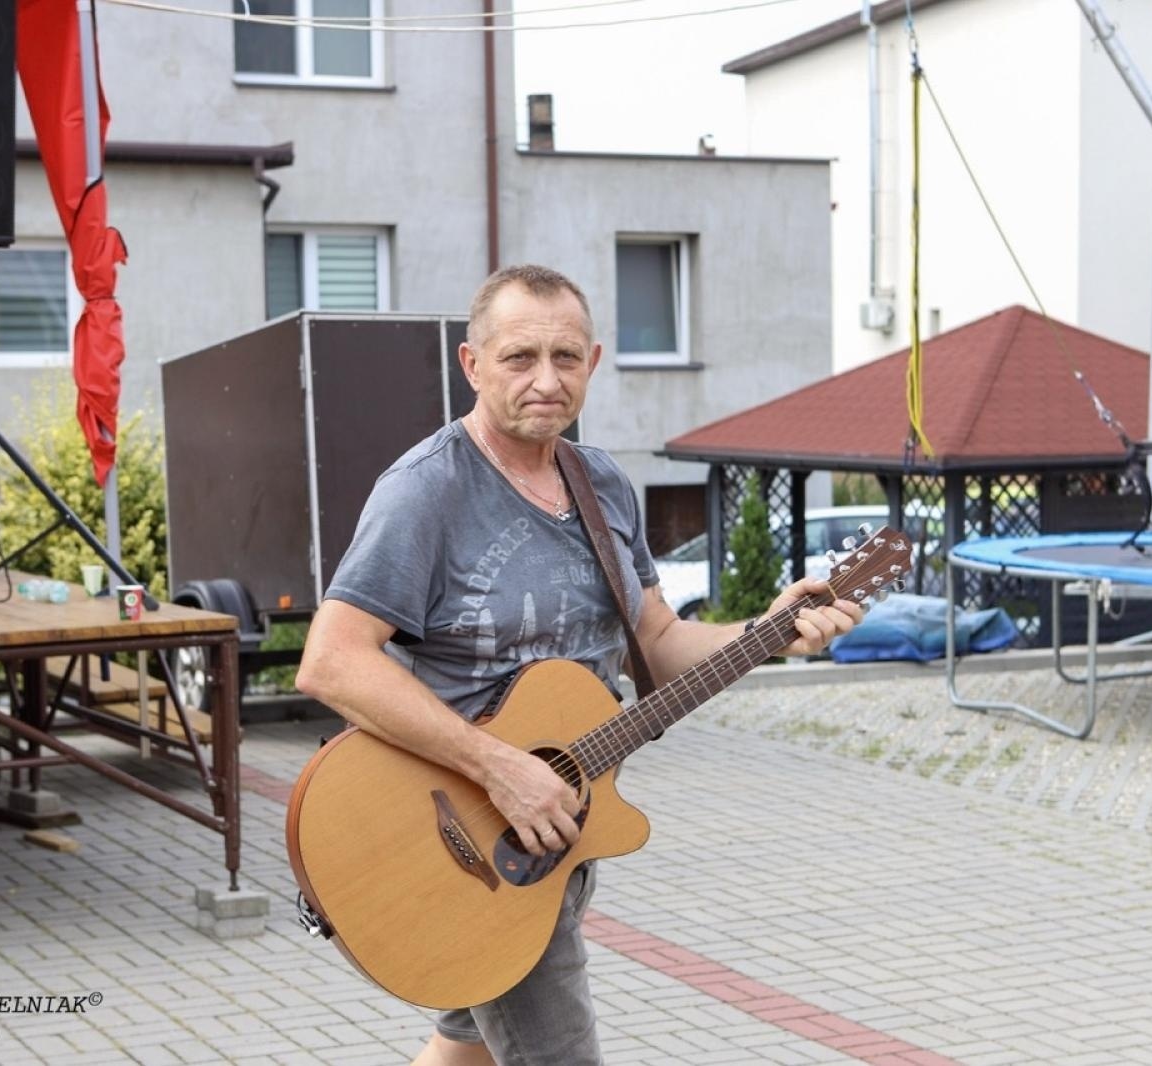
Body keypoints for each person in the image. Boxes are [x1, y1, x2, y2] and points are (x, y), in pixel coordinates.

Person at [295, 264, 860, 1066]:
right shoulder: (427, 491)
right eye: (521, 358)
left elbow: (661, 648)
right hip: (473, 834)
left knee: (466, 1050)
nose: (545, 380)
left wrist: (767, 631)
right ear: (473, 364)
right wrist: (500, 769)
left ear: (593, 364)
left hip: (557, 832)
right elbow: (332, 663)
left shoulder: (602, 486)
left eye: (566, 358)